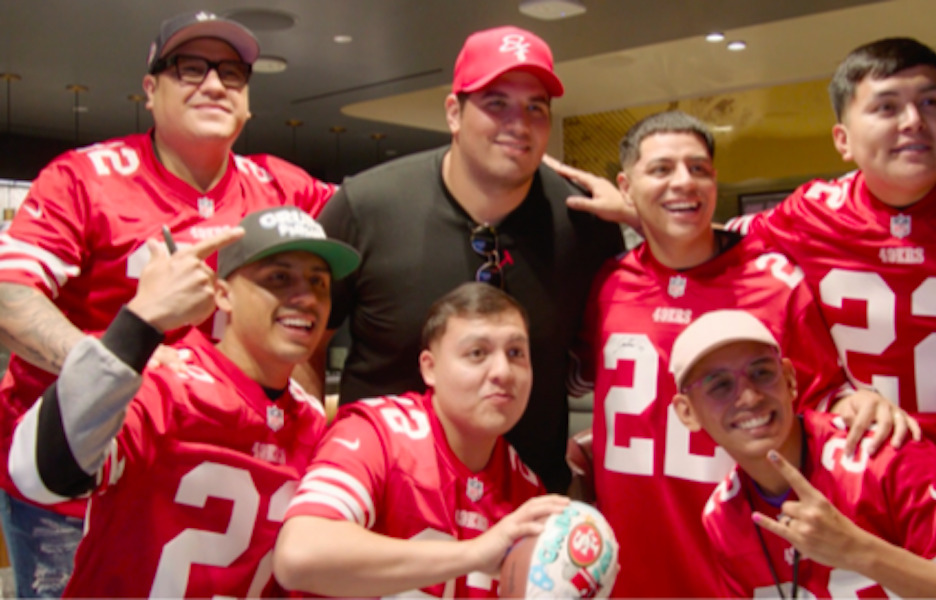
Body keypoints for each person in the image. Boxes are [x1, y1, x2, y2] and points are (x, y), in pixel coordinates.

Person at [0, 10, 335, 596]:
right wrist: (120, 371)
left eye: (232, 73)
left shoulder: (282, 186)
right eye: (189, 68)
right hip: (82, 468)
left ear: (249, 101)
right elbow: (8, 292)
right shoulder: (85, 177)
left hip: (221, 467)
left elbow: (388, 215)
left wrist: (506, 172)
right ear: (150, 91)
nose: (213, 84)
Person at [566, 110, 912, 598]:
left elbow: (820, 399)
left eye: (699, 169)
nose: (684, 182)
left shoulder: (772, 281)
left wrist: (853, 402)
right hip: (632, 569)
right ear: (626, 185)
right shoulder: (607, 283)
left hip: (748, 562)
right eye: (662, 169)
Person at [317, 25, 624, 493]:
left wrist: (645, 218)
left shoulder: (586, 224)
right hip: (386, 507)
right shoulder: (365, 206)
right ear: (454, 113)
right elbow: (304, 348)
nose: (518, 123)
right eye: (496, 102)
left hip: (527, 510)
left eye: (535, 107)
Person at [8, 207, 360, 597]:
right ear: (223, 295)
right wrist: (142, 320)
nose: (306, 297)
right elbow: (42, 474)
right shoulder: (165, 385)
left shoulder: (309, 418)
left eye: (319, 283)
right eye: (279, 278)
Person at [720, 37, 936, 518]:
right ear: (842, 140)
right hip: (866, 489)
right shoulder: (811, 211)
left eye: (931, 102)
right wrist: (637, 213)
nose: (914, 120)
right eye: (887, 107)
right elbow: (715, 244)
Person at [671, 309, 936, 598]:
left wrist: (857, 550)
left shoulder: (884, 456)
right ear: (687, 413)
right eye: (719, 385)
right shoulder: (724, 515)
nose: (748, 397)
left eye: (761, 373)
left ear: (789, 379)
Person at [274, 282, 567, 597]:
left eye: (516, 353)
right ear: (430, 368)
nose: (503, 371)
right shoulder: (377, 434)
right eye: (477, 353)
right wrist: (476, 553)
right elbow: (298, 557)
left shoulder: (525, 490)